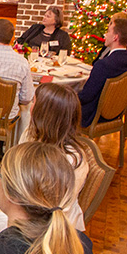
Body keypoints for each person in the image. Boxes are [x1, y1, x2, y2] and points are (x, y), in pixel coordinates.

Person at [21, 83, 88, 231]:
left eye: (34, 103)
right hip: (26, 212)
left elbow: (57, 209)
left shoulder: (72, 160)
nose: (31, 107)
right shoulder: (30, 135)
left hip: (56, 229)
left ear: (44, 114)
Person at [78, 12, 127, 128]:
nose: (105, 35)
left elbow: (86, 96)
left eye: (108, 31)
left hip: (91, 117)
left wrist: (68, 95)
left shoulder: (104, 64)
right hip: (113, 114)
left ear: (115, 37)